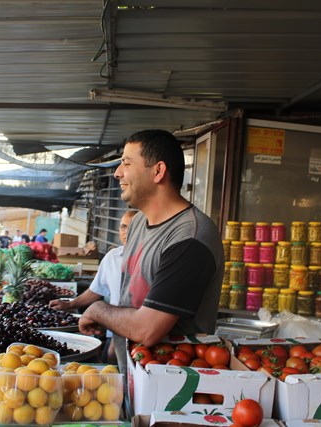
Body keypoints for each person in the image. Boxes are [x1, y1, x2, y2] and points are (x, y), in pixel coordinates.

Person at [78, 129, 225, 372]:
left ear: (158, 171)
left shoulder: (190, 238)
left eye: (126, 163)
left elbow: (147, 330)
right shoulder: (137, 223)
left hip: (169, 387)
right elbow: (130, 297)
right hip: (134, 373)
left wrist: (97, 309)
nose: (117, 173)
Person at [49, 210, 137, 363]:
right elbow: (97, 290)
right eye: (123, 227)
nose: (127, 232)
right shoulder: (112, 258)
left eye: (134, 226)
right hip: (113, 332)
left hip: (141, 335)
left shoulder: (153, 260)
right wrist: (70, 304)